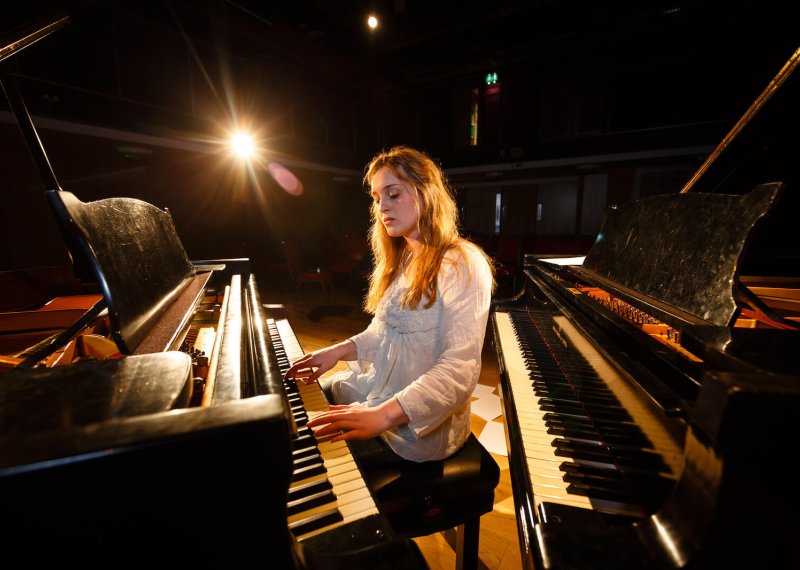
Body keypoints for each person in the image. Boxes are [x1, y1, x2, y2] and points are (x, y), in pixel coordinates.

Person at [285, 145, 495, 462]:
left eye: (393, 194)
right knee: (291, 409)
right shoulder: (402, 259)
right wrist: (337, 350)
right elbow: (383, 332)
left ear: (426, 193)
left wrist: (383, 415)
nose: (382, 207)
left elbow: (460, 370)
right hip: (377, 392)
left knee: (305, 450)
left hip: (413, 431)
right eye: (376, 197)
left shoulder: (462, 262)